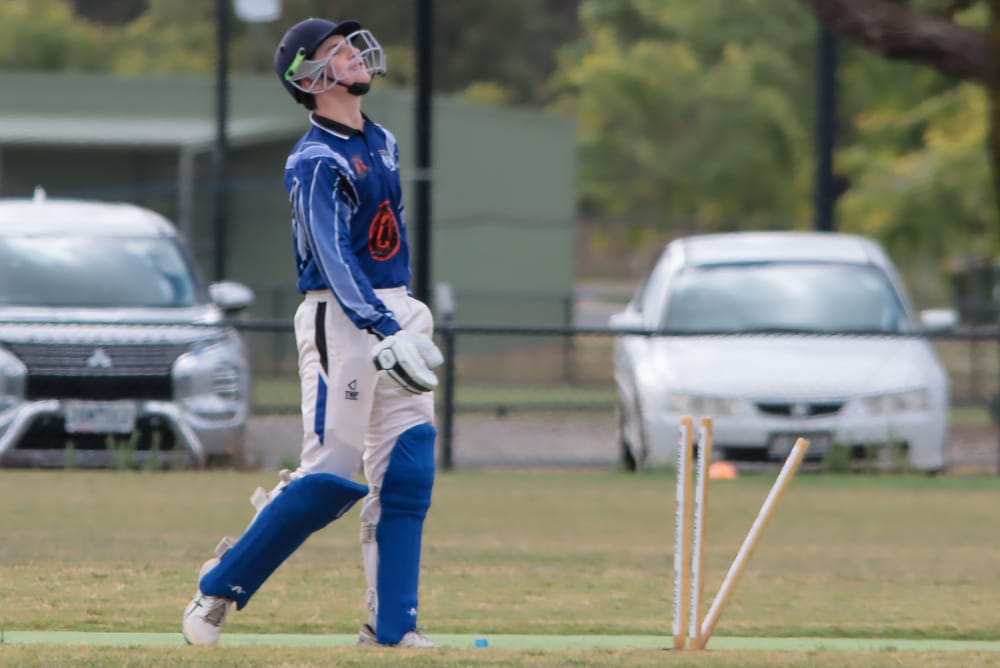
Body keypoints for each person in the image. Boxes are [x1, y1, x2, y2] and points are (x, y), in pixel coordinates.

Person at [181, 16, 443, 649]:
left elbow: (386, 241)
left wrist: (404, 313)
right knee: (329, 477)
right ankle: (219, 584)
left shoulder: (381, 140)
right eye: (335, 50)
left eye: (350, 44)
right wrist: (381, 325)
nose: (353, 54)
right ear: (309, 77)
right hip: (344, 319)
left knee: (408, 471)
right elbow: (329, 256)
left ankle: (391, 631)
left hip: (394, 308)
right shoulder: (314, 159)